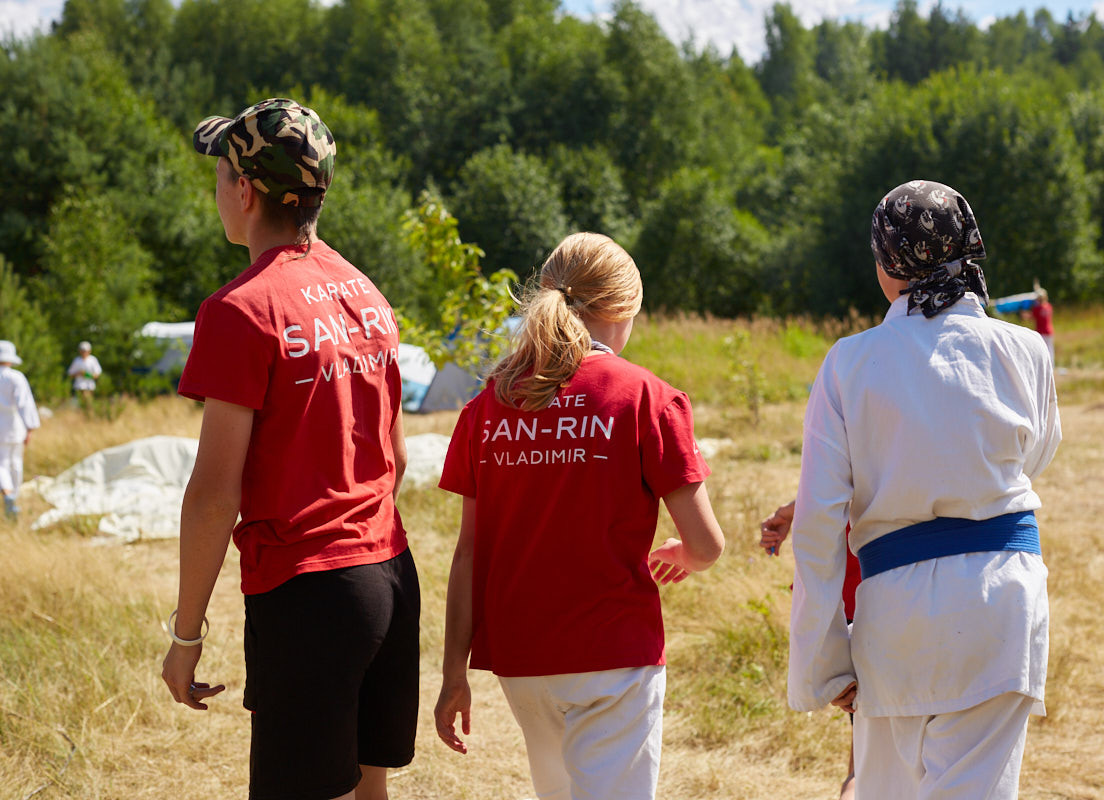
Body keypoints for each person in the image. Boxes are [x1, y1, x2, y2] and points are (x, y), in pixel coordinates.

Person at [160, 98, 419, 800]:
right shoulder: (366, 292)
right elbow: (397, 457)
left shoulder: (239, 310)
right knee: (369, 791)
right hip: (390, 576)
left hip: (310, 593)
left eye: (219, 175)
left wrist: (186, 638)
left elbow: (215, 496)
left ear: (244, 191)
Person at [786, 180, 1060, 799]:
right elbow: (1035, 455)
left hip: (895, 613)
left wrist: (823, 664)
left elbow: (818, 525)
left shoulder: (849, 363)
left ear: (886, 263)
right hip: (1000, 601)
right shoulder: (1026, 350)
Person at [434, 232, 725, 800]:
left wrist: (452, 676)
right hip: (613, 655)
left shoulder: (489, 403)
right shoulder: (645, 396)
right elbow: (707, 546)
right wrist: (680, 556)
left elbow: (469, 554)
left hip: (522, 660)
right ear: (624, 311)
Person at [760, 503, 859, 800]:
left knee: (863, 770)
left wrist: (793, 509)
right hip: (962, 585)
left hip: (858, 599)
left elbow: (834, 486)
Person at [0, 340, 40, 520]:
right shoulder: (16, 377)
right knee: (16, 462)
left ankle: (8, 494)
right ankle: (13, 496)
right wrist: (30, 426)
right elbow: (25, 404)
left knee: (1, 464)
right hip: (15, 425)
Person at [67, 340, 102, 406]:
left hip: (89, 387)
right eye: (82, 350)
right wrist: (79, 373)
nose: (84, 352)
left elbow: (96, 375)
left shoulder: (93, 360)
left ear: (89, 351)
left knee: (88, 405)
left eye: (85, 351)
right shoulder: (77, 360)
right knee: (79, 406)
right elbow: (70, 374)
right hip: (78, 387)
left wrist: (85, 374)